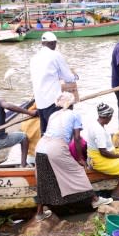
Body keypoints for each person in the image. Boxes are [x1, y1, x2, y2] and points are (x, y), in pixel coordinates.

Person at [34, 92, 113, 221]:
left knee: (42, 179)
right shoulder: (75, 114)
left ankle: (39, 213)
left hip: (41, 146)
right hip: (55, 147)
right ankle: (95, 199)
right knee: (77, 171)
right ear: (72, 104)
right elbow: (76, 138)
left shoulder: (53, 115)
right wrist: (80, 159)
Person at [84, 103, 119, 201]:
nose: (111, 118)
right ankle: (117, 192)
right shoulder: (98, 130)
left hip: (98, 156)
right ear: (107, 116)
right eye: (111, 116)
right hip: (99, 160)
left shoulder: (96, 124)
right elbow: (104, 153)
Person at [30, 31, 78, 135]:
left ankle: (43, 150)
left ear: (42, 43)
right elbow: (68, 77)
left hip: (40, 102)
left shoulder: (34, 58)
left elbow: (49, 74)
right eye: (55, 43)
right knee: (57, 131)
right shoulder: (55, 55)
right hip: (53, 101)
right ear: (53, 43)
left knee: (45, 132)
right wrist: (75, 76)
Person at [0, 90, 36, 168]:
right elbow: (8, 106)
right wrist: (30, 112)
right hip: (2, 140)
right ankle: (23, 165)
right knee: (23, 137)